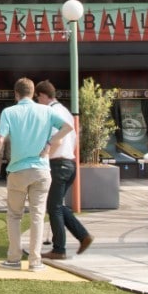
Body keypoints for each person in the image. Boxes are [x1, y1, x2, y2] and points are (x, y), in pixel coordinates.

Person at [0, 77, 69, 271]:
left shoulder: (9, 112)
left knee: (14, 215)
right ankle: (35, 262)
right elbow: (68, 127)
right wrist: (49, 144)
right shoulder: (47, 110)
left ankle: (14, 258)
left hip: (18, 170)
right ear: (33, 93)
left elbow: (0, 139)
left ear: (16, 94)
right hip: (41, 169)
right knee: (37, 215)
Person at [35, 80, 92, 259]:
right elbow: (73, 139)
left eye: (37, 99)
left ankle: (59, 249)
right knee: (59, 205)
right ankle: (83, 236)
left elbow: (56, 139)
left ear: (42, 96)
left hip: (57, 164)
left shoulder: (51, 112)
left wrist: (42, 154)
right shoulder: (65, 111)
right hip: (69, 163)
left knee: (54, 208)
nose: (38, 103)